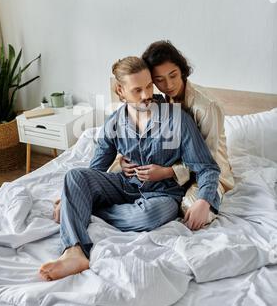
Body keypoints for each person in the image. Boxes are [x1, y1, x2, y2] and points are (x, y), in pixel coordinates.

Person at [40, 57, 220, 281]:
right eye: (137, 90)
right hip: (126, 185)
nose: (146, 95)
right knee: (74, 176)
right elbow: (96, 168)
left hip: (163, 194)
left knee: (148, 215)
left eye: (148, 86)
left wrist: (204, 200)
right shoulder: (114, 122)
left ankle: (81, 207)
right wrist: (73, 190)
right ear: (120, 90)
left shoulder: (177, 120)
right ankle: (75, 251)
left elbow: (207, 167)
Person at [116, 40, 234, 216]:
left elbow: (208, 160)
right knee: (116, 178)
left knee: (189, 208)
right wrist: (122, 159)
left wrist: (168, 172)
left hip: (207, 171)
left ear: (182, 70)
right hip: (168, 173)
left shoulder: (207, 107)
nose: (169, 85)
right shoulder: (157, 101)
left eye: (173, 75)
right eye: (159, 80)